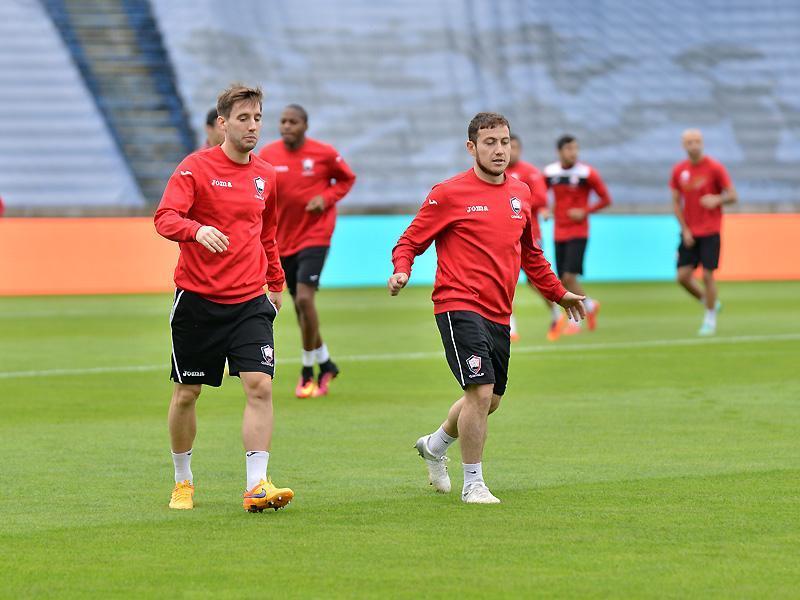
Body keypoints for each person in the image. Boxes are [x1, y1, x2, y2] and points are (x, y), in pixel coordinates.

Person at [388, 113, 585, 504]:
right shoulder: (448, 193)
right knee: (479, 392)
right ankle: (473, 484)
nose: (499, 150)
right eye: (490, 142)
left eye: (504, 142)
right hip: (457, 302)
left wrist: (558, 293)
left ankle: (434, 445)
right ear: (471, 147)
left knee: (489, 400)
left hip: (499, 311)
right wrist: (401, 269)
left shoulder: (521, 193)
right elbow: (409, 241)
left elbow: (531, 255)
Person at [154, 84, 294, 512]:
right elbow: (165, 217)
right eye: (243, 118)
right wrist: (196, 230)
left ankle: (256, 486)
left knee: (260, 386)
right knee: (187, 393)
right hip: (198, 300)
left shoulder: (266, 175)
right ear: (223, 123)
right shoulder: (195, 168)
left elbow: (267, 233)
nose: (252, 126)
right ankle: (182, 481)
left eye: (257, 118)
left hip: (250, 299)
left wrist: (275, 281)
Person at [259, 105, 356, 398]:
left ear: (305, 125)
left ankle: (307, 370)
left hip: (315, 235)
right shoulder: (268, 155)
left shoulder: (324, 153)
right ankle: (326, 363)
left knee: (304, 298)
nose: (287, 126)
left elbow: (347, 179)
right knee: (301, 306)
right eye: (283, 121)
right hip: (282, 239)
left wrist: (326, 198)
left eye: (293, 122)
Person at [671, 129, 737, 335]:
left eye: (697, 141)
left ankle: (710, 319)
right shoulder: (679, 170)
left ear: (702, 143)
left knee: (708, 276)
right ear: (684, 145)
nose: (694, 145)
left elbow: (733, 195)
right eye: (690, 142)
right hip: (690, 232)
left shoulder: (714, 167)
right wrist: (685, 229)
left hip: (710, 230)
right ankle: (709, 301)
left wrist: (717, 199)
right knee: (682, 277)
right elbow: (676, 202)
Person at [543, 135, 611, 335]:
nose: (573, 153)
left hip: (579, 231)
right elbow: (539, 195)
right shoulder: (550, 172)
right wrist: (545, 208)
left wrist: (585, 211)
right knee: (563, 280)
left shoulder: (587, 173)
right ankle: (589, 305)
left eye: (575, 148)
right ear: (559, 152)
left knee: (569, 276)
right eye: (569, 149)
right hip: (559, 232)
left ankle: (576, 321)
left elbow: (606, 199)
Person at [506, 133, 564, 342]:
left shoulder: (530, 172)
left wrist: (512, 197)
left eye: (513, 146)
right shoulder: (496, 172)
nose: (510, 151)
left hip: (530, 235)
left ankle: (556, 314)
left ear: (519, 149)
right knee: (505, 279)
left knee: (535, 281)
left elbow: (540, 198)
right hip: (504, 236)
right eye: (507, 146)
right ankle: (510, 327)